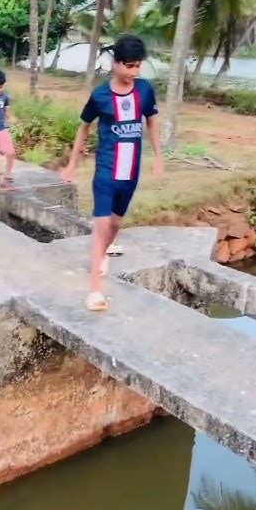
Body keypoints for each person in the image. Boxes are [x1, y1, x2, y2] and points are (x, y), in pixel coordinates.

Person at [61, 34, 163, 312]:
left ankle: (104, 252)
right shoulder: (100, 96)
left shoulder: (144, 91)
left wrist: (157, 156)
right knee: (102, 226)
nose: (134, 72)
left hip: (130, 172)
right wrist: (72, 164)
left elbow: (151, 123)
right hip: (106, 170)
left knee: (115, 224)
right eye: (129, 66)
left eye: (138, 66)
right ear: (115, 63)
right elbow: (83, 127)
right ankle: (94, 290)